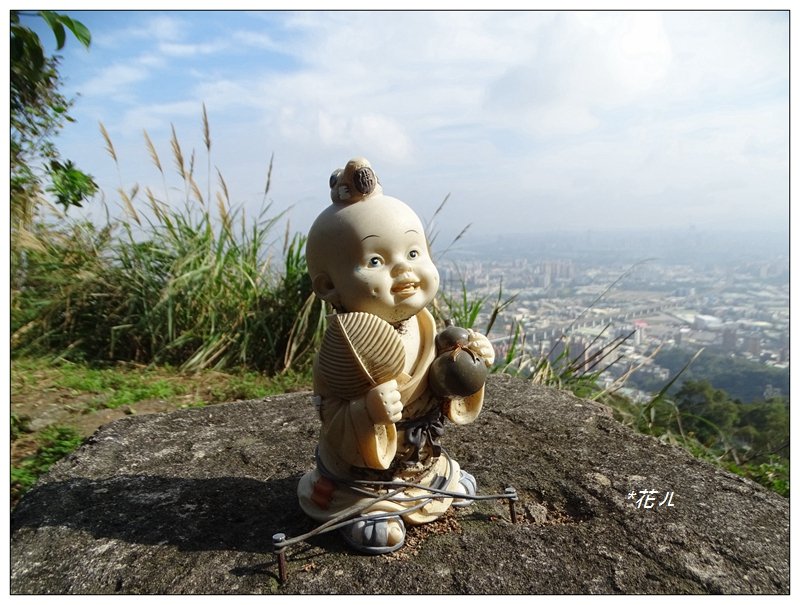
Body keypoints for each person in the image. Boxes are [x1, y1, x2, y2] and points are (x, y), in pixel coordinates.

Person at [297, 158, 494, 554]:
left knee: (432, 468)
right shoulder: (344, 348)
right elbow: (332, 411)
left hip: (420, 450)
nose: (403, 269)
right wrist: (366, 409)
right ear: (328, 286)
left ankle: (433, 480)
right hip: (364, 469)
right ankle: (369, 507)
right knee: (362, 484)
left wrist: (470, 358)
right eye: (375, 261)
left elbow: (440, 378)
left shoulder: (423, 326)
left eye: (414, 252)